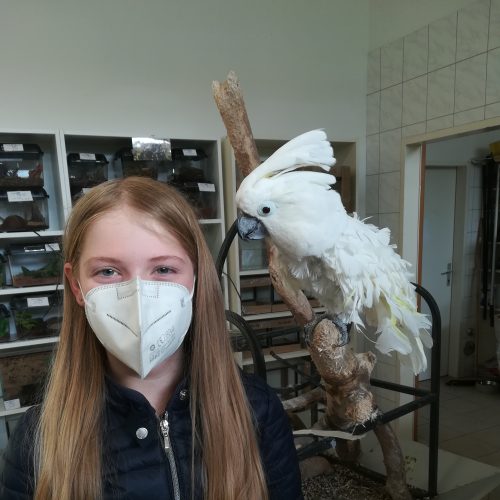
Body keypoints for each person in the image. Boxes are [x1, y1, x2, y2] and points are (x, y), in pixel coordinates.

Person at [0, 177, 303, 499]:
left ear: (196, 278)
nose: (139, 299)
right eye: (108, 272)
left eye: (163, 270)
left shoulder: (255, 409)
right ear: (76, 286)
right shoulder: (39, 439)